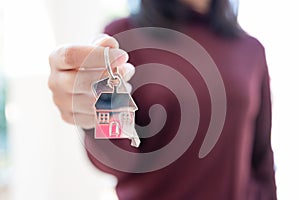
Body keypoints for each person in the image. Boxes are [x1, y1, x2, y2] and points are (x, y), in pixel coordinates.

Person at [48, 0, 277, 199]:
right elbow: (120, 162)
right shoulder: (125, 37)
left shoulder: (251, 50)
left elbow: (262, 158)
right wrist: (95, 115)